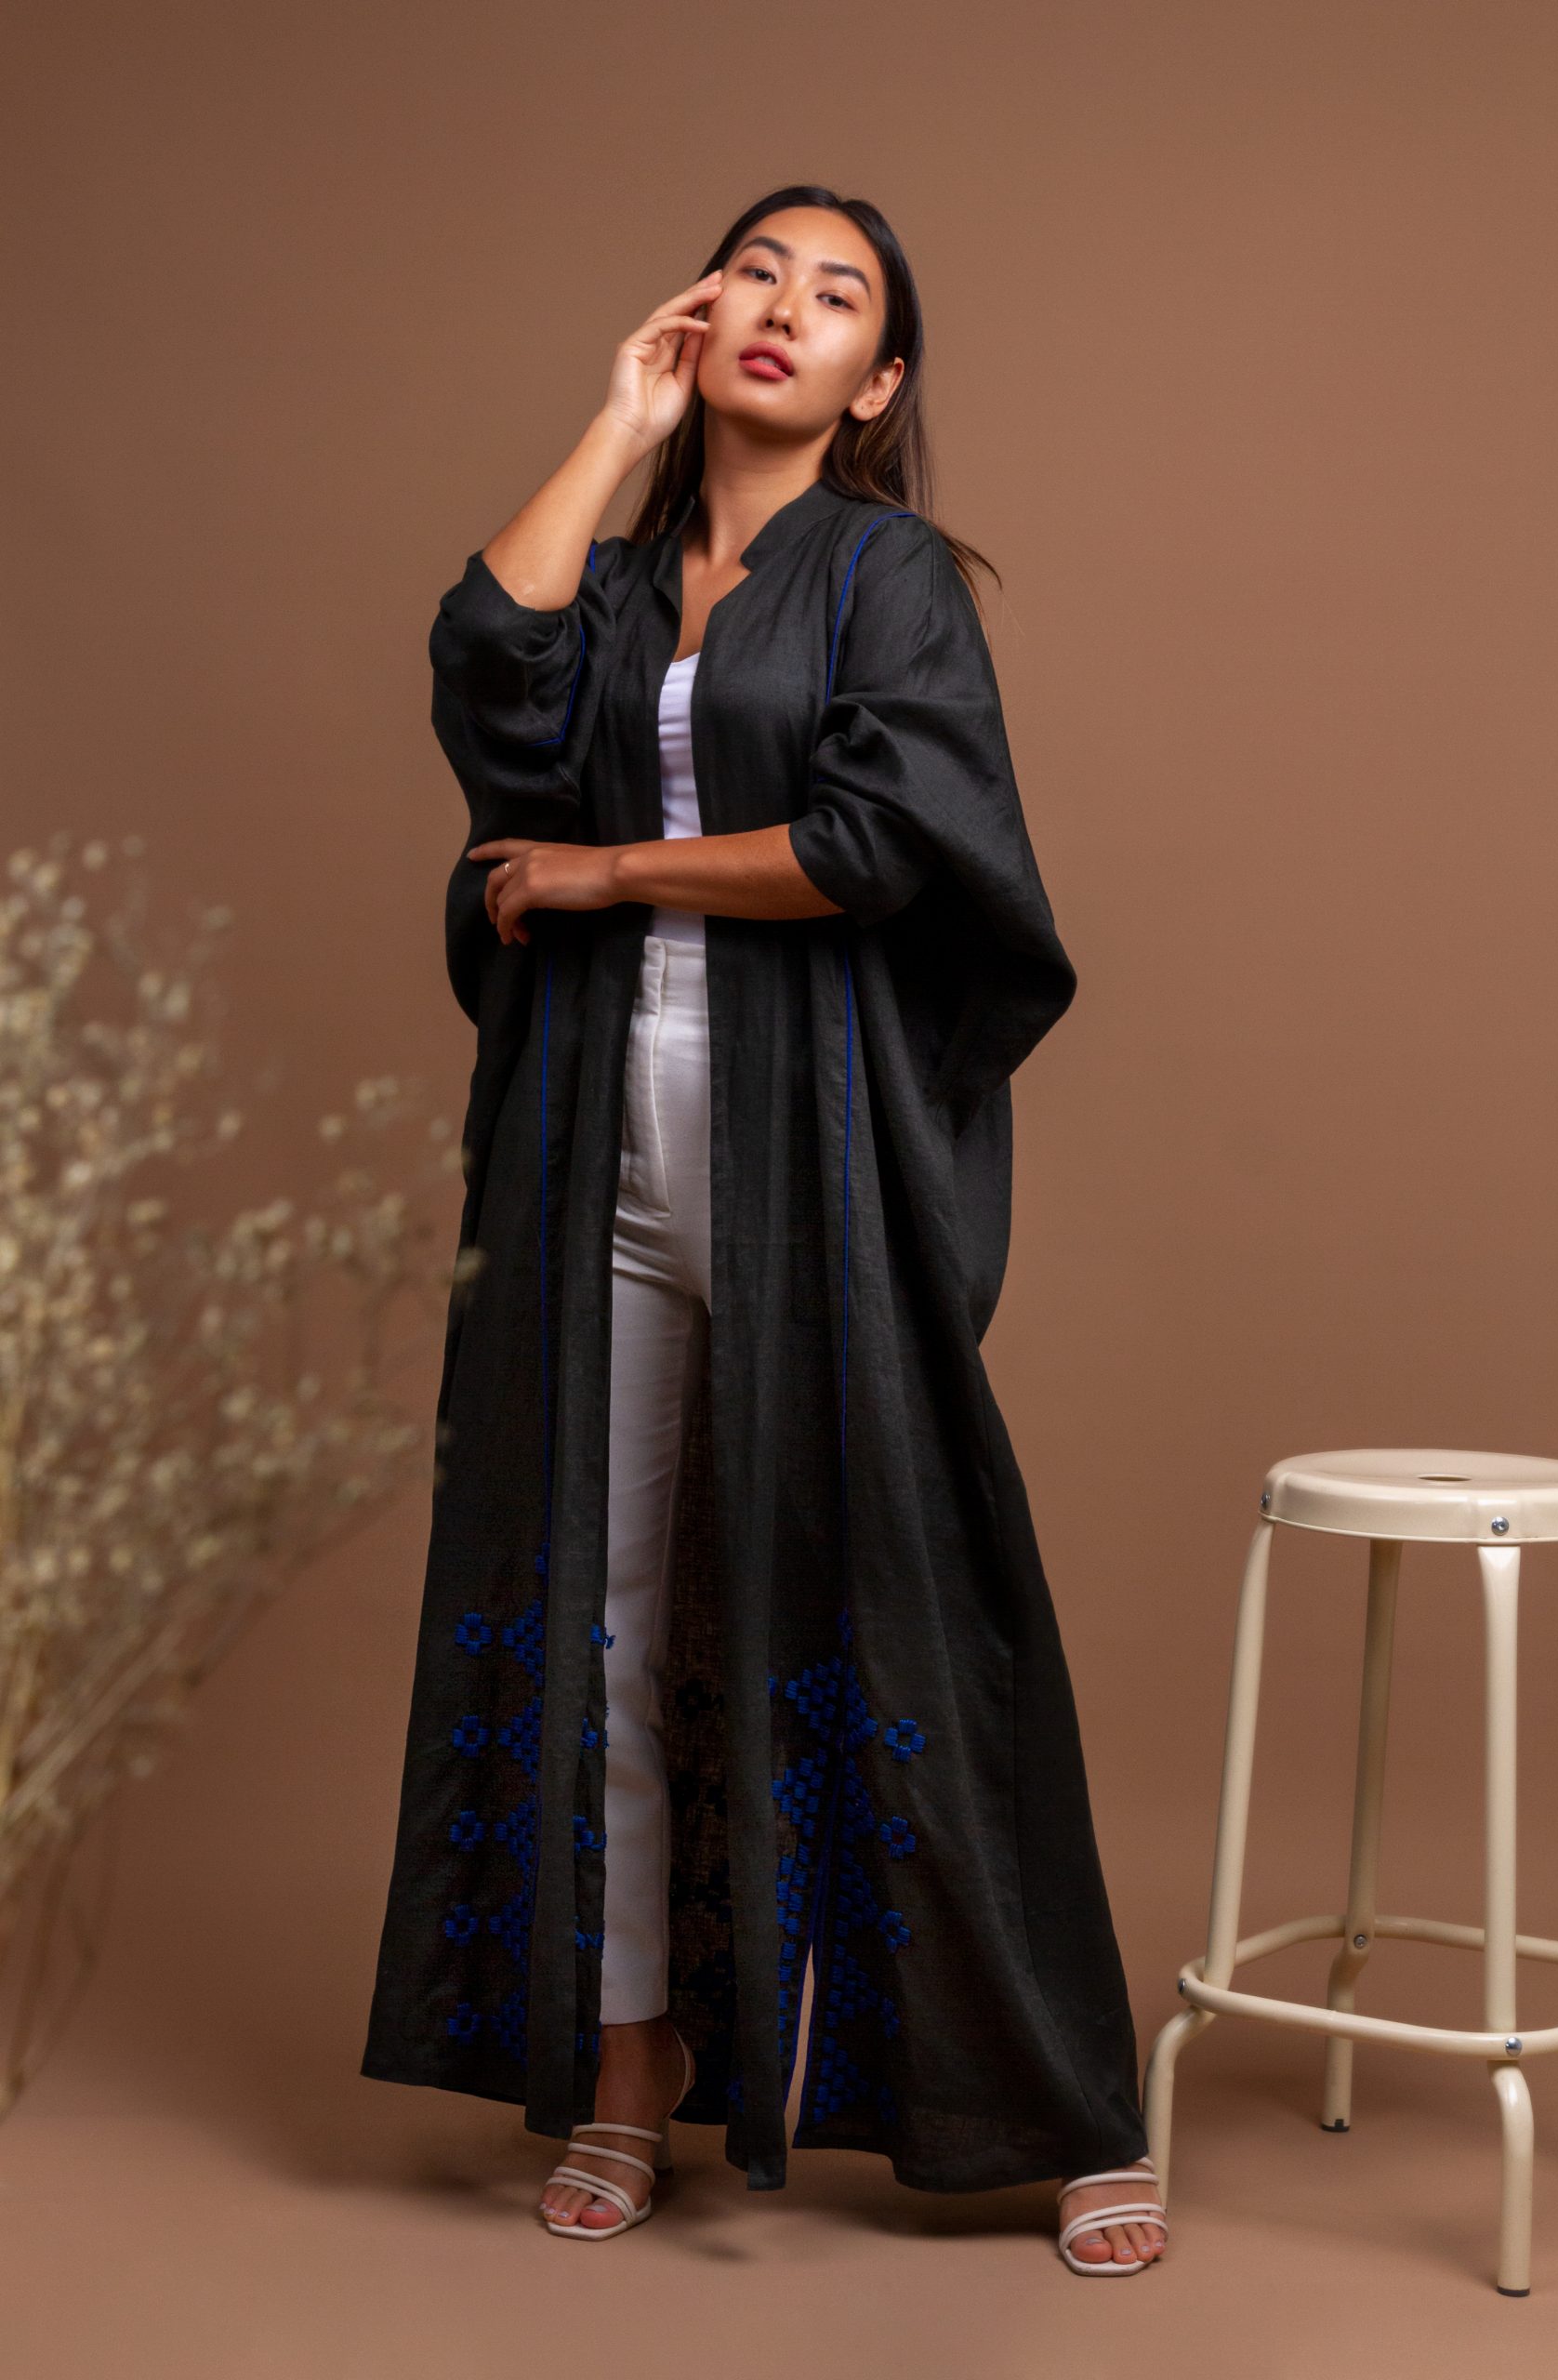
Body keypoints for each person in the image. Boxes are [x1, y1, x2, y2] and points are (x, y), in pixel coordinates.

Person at [361, 184, 1168, 2275]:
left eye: (838, 295)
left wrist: (610, 869)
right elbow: (486, 675)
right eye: (756, 274)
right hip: (594, 1158)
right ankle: (629, 2071)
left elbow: (878, 844)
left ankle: (1065, 2100)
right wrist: (617, 424)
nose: (785, 309)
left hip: (813, 1159)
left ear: (878, 382)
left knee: (910, 1605)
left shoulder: (890, 578)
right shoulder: (627, 581)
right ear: (700, 312)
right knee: (610, 1617)